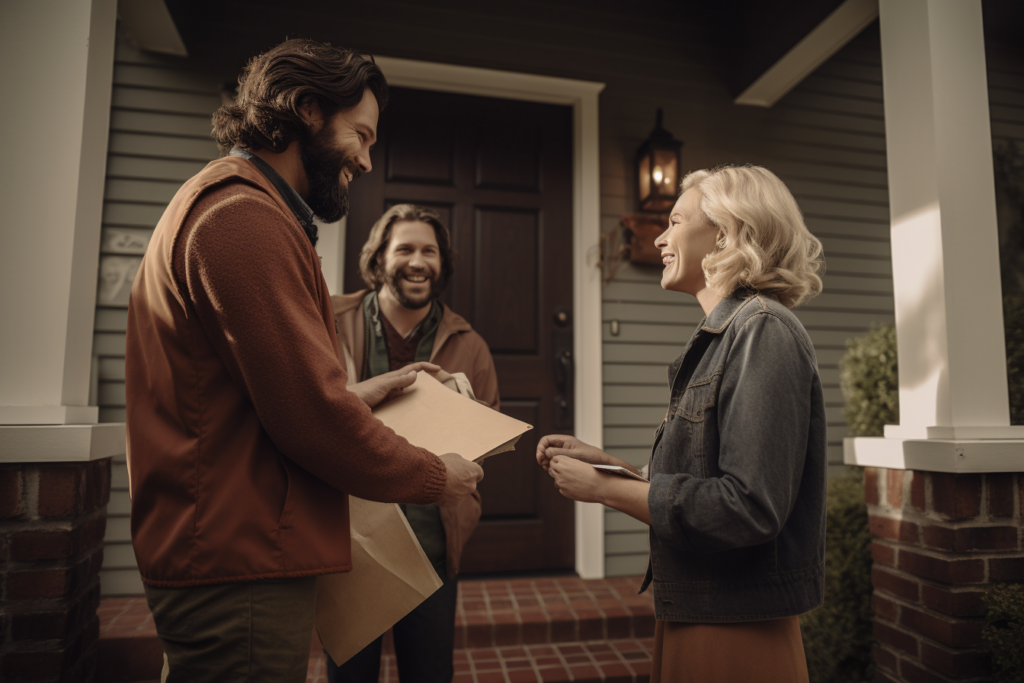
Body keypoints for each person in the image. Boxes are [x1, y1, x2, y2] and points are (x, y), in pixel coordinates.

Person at [124, 39, 483, 683]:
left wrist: (371, 389)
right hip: (239, 560)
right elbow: (311, 418)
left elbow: (265, 395)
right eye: (362, 135)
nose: (368, 161)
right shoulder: (242, 217)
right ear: (308, 110)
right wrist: (436, 477)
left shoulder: (238, 208)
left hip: (235, 549)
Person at [537, 165, 826, 683]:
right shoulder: (725, 334)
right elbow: (708, 482)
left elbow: (747, 508)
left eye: (673, 221)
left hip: (737, 627)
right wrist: (611, 465)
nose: (660, 237)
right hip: (698, 607)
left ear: (726, 231)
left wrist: (604, 489)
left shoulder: (762, 331)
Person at [328, 204, 499, 683]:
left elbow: (485, 443)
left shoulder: (471, 346)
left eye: (429, 251)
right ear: (379, 257)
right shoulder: (330, 321)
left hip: (432, 547)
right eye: (404, 249)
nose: (418, 261)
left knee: (429, 673)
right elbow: (309, 414)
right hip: (347, 544)